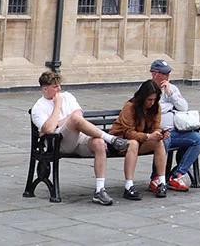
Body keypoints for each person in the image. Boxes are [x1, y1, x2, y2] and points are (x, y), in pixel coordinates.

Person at [30, 70, 129, 206]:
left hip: (78, 137)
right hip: (60, 142)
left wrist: (60, 122)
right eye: (54, 86)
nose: (58, 89)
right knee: (75, 119)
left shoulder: (68, 96)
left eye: (59, 85)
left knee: (99, 143)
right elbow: (48, 129)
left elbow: (78, 114)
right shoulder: (38, 107)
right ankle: (111, 139)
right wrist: (58, 106)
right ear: (44, 88)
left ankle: (100, 190)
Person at [149, 58, 200, 191]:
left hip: (177, 130)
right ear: (155, 74)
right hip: (158, 132)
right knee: (164, 140)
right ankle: (156, 178)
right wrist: (169, 106)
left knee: (199, 140)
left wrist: (171, 95)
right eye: (164, 73)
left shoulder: (172, 88)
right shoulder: (147, 88)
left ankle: (177, 174)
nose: (167, 75)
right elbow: (152, 109)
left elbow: (184, 107)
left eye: (168, 72)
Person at [111, 79, 169, 197]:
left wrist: (159, 133)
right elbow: (128, 133)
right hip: (120, 141)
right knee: (133, 143)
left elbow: (156, 126)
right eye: (149, 100)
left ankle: (162, 182)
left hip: (141, 139)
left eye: (154, 99)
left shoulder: (156, 107)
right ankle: (129, 185)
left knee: (159, 142)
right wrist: (148, 136)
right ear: (143, 97)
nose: (152, 103)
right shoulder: (130, 106)